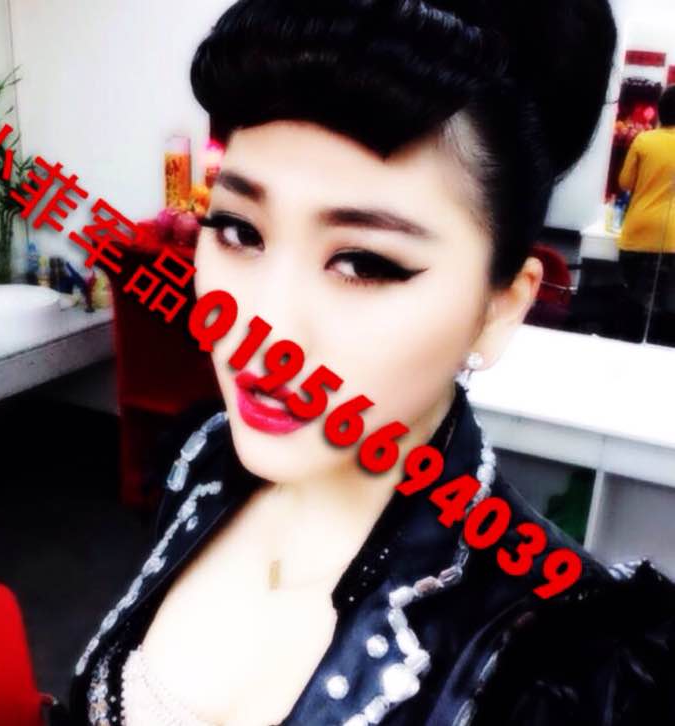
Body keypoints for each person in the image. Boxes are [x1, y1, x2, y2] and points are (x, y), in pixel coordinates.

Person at [68, 2, 675, 724]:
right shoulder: (204, 462)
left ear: (500, 307)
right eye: (238, 230)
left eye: (363, 262)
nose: (260, 330)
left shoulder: (560, 669)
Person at [617, 84, 675, 343]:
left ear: (660, 111)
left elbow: (625, 182)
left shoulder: (644, 140)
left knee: (635, 305)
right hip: (672, 239)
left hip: (638, 233)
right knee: (668, 313)